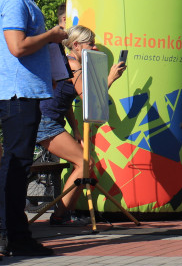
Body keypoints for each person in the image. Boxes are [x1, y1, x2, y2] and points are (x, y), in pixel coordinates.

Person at [0, 0, 68, 257]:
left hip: (23, 91)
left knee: (16, 164)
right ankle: (14, 236)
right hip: (18, 93)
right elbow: (17, 46)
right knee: (16, 164)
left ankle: (13, 234)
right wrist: (52, 36)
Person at [38, 25, 126, 226]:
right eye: (91, 44)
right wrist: (111, 78)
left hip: (49, 121)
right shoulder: (72, 65)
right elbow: (88, 99)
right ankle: (60, 215)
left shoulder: (69, 63)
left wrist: (76, 129)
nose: (95, 48)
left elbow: (64, 100)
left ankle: (62, 213)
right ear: (76, 46)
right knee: (85, 164)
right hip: (45, 122)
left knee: (84, 163)